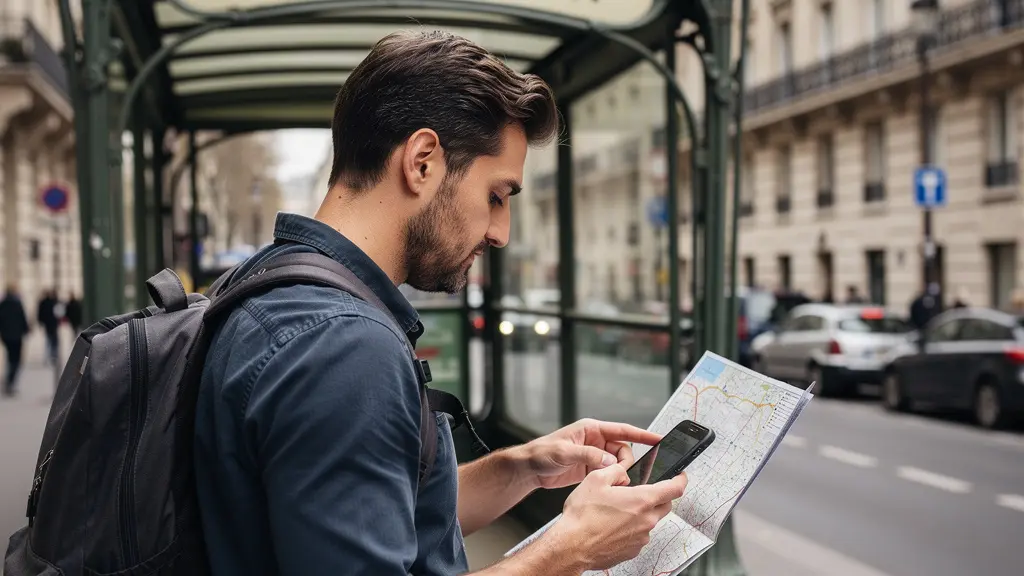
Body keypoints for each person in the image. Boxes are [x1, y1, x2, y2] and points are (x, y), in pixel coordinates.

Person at [194, 30, 688, 576]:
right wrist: (571, 550)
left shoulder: (267, 280)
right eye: (496, 196)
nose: (500, 232)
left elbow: (377, 511)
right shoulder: (344, 347)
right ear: (422, 161)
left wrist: (524, 468)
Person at [0, 285, 30, 396]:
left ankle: (9, 380)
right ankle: (11, 381)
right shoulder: (17, 304)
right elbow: (23, 318)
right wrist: (26, 330)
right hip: (17, 336)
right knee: (16, 360)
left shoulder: (3, 304)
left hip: (7, 336)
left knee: (10, 358)